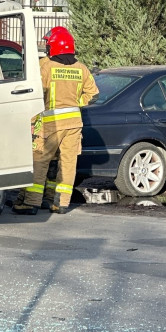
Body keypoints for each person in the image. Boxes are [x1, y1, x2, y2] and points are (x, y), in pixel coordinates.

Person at [13, 26, 99, 216]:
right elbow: (93, 95)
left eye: (48, 45)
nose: (46, 48)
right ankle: (60, 203)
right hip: (74, 124)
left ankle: (31, 202)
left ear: (54, 47)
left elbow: (35, 92)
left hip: (49, 122)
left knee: (40, 160)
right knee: (68, 163)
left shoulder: (46, 65)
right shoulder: (81, 68)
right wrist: (76, 102)